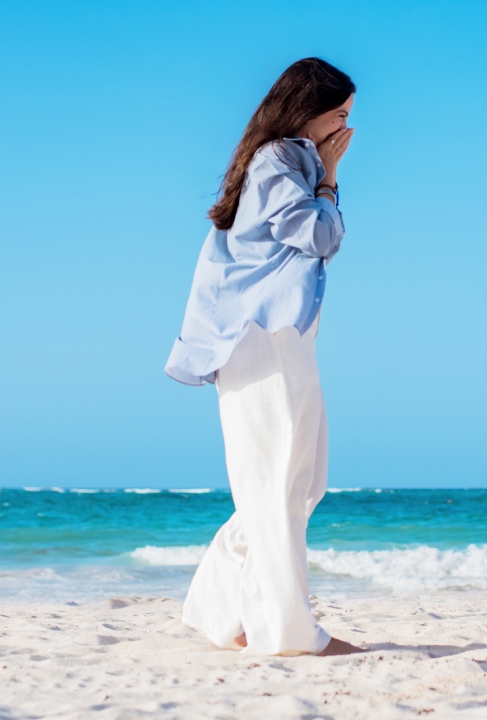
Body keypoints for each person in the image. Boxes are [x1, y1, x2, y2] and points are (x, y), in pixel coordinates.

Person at [164, 58, 361, 656]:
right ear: (309, 108)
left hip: (281, 338)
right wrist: (329, 176)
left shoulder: (280, 161)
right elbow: (319, 237)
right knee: (279, 482)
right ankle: (287, 635)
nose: (346, 129)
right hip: (262, 338)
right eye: (341, 115)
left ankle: (220, 613)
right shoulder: (279, 160)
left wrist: (321, 174)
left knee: (297, 483)